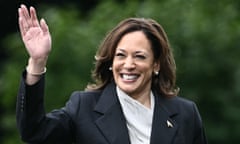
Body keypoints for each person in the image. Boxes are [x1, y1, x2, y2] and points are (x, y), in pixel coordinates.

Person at [16, 4, 208, 144]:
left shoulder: (185, 114)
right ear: (111, 62)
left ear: (155, 64)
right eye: (121, 55)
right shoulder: (84, 107)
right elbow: (34, 131)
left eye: (139, 57)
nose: (128, 64)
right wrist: (37, 62)